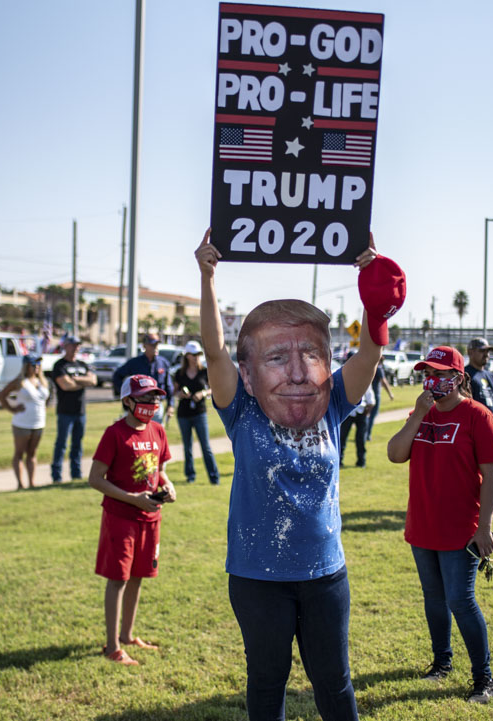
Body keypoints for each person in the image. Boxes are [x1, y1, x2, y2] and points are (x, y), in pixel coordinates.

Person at [197, 228, 401, 721]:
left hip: (325, 572)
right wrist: (207, 279)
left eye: (311, 356)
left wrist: (372, 288)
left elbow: (370, 354)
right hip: (256, 575)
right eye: (277, 357)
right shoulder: (240, 409)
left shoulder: (331, 404)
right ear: (250, 373)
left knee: (335, 683)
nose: (296, 371)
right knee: (268, 684)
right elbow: (215, 353)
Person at [386, 346, 493, 705]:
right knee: (434, 599)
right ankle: (441, 662)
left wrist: (484, 528)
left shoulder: (478, 417)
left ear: (458, 378)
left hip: (460, 529)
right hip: (422, 526)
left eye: (439, 374)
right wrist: (418, 415)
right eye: (427, 374)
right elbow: (395, 453)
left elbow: (492, 476)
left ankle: (484, 679)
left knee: (461, 601)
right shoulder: (420, 414)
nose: (431, 381)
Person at [88, 374, 177, 666]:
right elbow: (95, 479)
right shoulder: (115, 434)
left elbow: (159, 470)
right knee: (118, 579)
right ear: (127, 401)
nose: (152, 404)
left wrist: (168, 485)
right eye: (145, 398)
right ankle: (112, 646)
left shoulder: (158, 431)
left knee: (138, 576)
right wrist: (132, 498)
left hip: (150, 517)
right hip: (121, 517)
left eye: (155, 398)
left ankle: (127, 635)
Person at [0, 353, 50, 489]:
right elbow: (2, 395)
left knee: (32, 453)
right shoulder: (20, 382)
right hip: (22, 423)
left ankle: (32, 483)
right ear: (27, 366)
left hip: (38, 423)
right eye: (34, 365)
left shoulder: (42, 381)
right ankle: (20, 484)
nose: (36, 368)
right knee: (19, 453)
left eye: (38, 365)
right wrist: (12, 408)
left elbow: (44, 399)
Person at [51, 334, 97, 483]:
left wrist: (75, 379)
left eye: (78, 345)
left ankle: (76, 474)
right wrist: (83, 382)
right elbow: (65, 385)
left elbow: (93, 380)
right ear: (65, 346)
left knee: (77, 445)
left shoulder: (82, 364)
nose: (76, 348)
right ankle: (56, 476)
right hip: (65, 411)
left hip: (80, 411)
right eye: (73, 345)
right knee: (61, 444)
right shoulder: (60, 365)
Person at [173, 340, 220, 484]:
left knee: (205, 446)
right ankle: (190, 476)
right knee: (187, 447)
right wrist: (180, 394)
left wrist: (203, 393)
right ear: (187, 356)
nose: (196, 357)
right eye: (193, 354)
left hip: (200, 412)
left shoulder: (204, 371)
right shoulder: (179, 373)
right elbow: (174, 391)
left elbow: (212, 388)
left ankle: (214, 477)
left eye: (198, 354)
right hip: (183, 414)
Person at [113, 333, 174, 424]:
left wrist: (170, 405)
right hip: (139, 405)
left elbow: (169, 386)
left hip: (156, 406)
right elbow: (117, 376)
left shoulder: (163, 363)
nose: (155, 347)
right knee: (135, 433)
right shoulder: (135, 363)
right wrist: (125, 394)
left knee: (156, 434)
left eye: (157, 344)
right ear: (144, 345)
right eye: (152, 344)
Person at [340, 373, 375, 468]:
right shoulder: (346, 380)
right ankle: (339, 460)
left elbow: (371, 401)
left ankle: (361, 461)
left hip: (361, 412)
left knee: (361, 438)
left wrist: (366, 413)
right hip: (348, 412)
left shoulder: (366, 380)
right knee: (342, 437)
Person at [465, 338, 493, 422]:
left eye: (488, 351)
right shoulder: (464, 375)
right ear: (470, 352)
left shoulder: (491, 376)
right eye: (482, 351)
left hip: (491, 426)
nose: (486, 354)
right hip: (473, 427)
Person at [364, 363, 394, 441]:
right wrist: (390, 393)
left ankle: (365, 433)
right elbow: (383, 381)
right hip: (375, 394)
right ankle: (367, 434)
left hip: (367, 394)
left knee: (367, 414)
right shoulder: (379, 369)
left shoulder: (369, 367)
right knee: (373, 415)